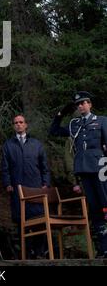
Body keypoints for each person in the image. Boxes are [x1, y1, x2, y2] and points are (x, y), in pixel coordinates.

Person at [49, 91, 107, 257]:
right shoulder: (75, 124)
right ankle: (103, 249)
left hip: (101, 168)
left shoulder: (101, 121)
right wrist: (61, 113)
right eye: (78, 104)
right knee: (95, 208)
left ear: (90, 104)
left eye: (83, 103)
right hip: (84, 169)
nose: (81, 106)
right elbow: (54, 131)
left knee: (106, 205)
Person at [1, 114, 51, 258]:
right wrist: (7, 184)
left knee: (39, 220)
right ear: (13, 126)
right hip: (17, 189)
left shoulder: (36, 144)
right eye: (16, 122)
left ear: (26, 124)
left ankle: (40, 252)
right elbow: (5, 168)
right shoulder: (8, 145)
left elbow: (45, 167)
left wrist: (45, 184)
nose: (18, 124)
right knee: (21, 221)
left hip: (36, 188)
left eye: (21, 122)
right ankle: (26, 254)